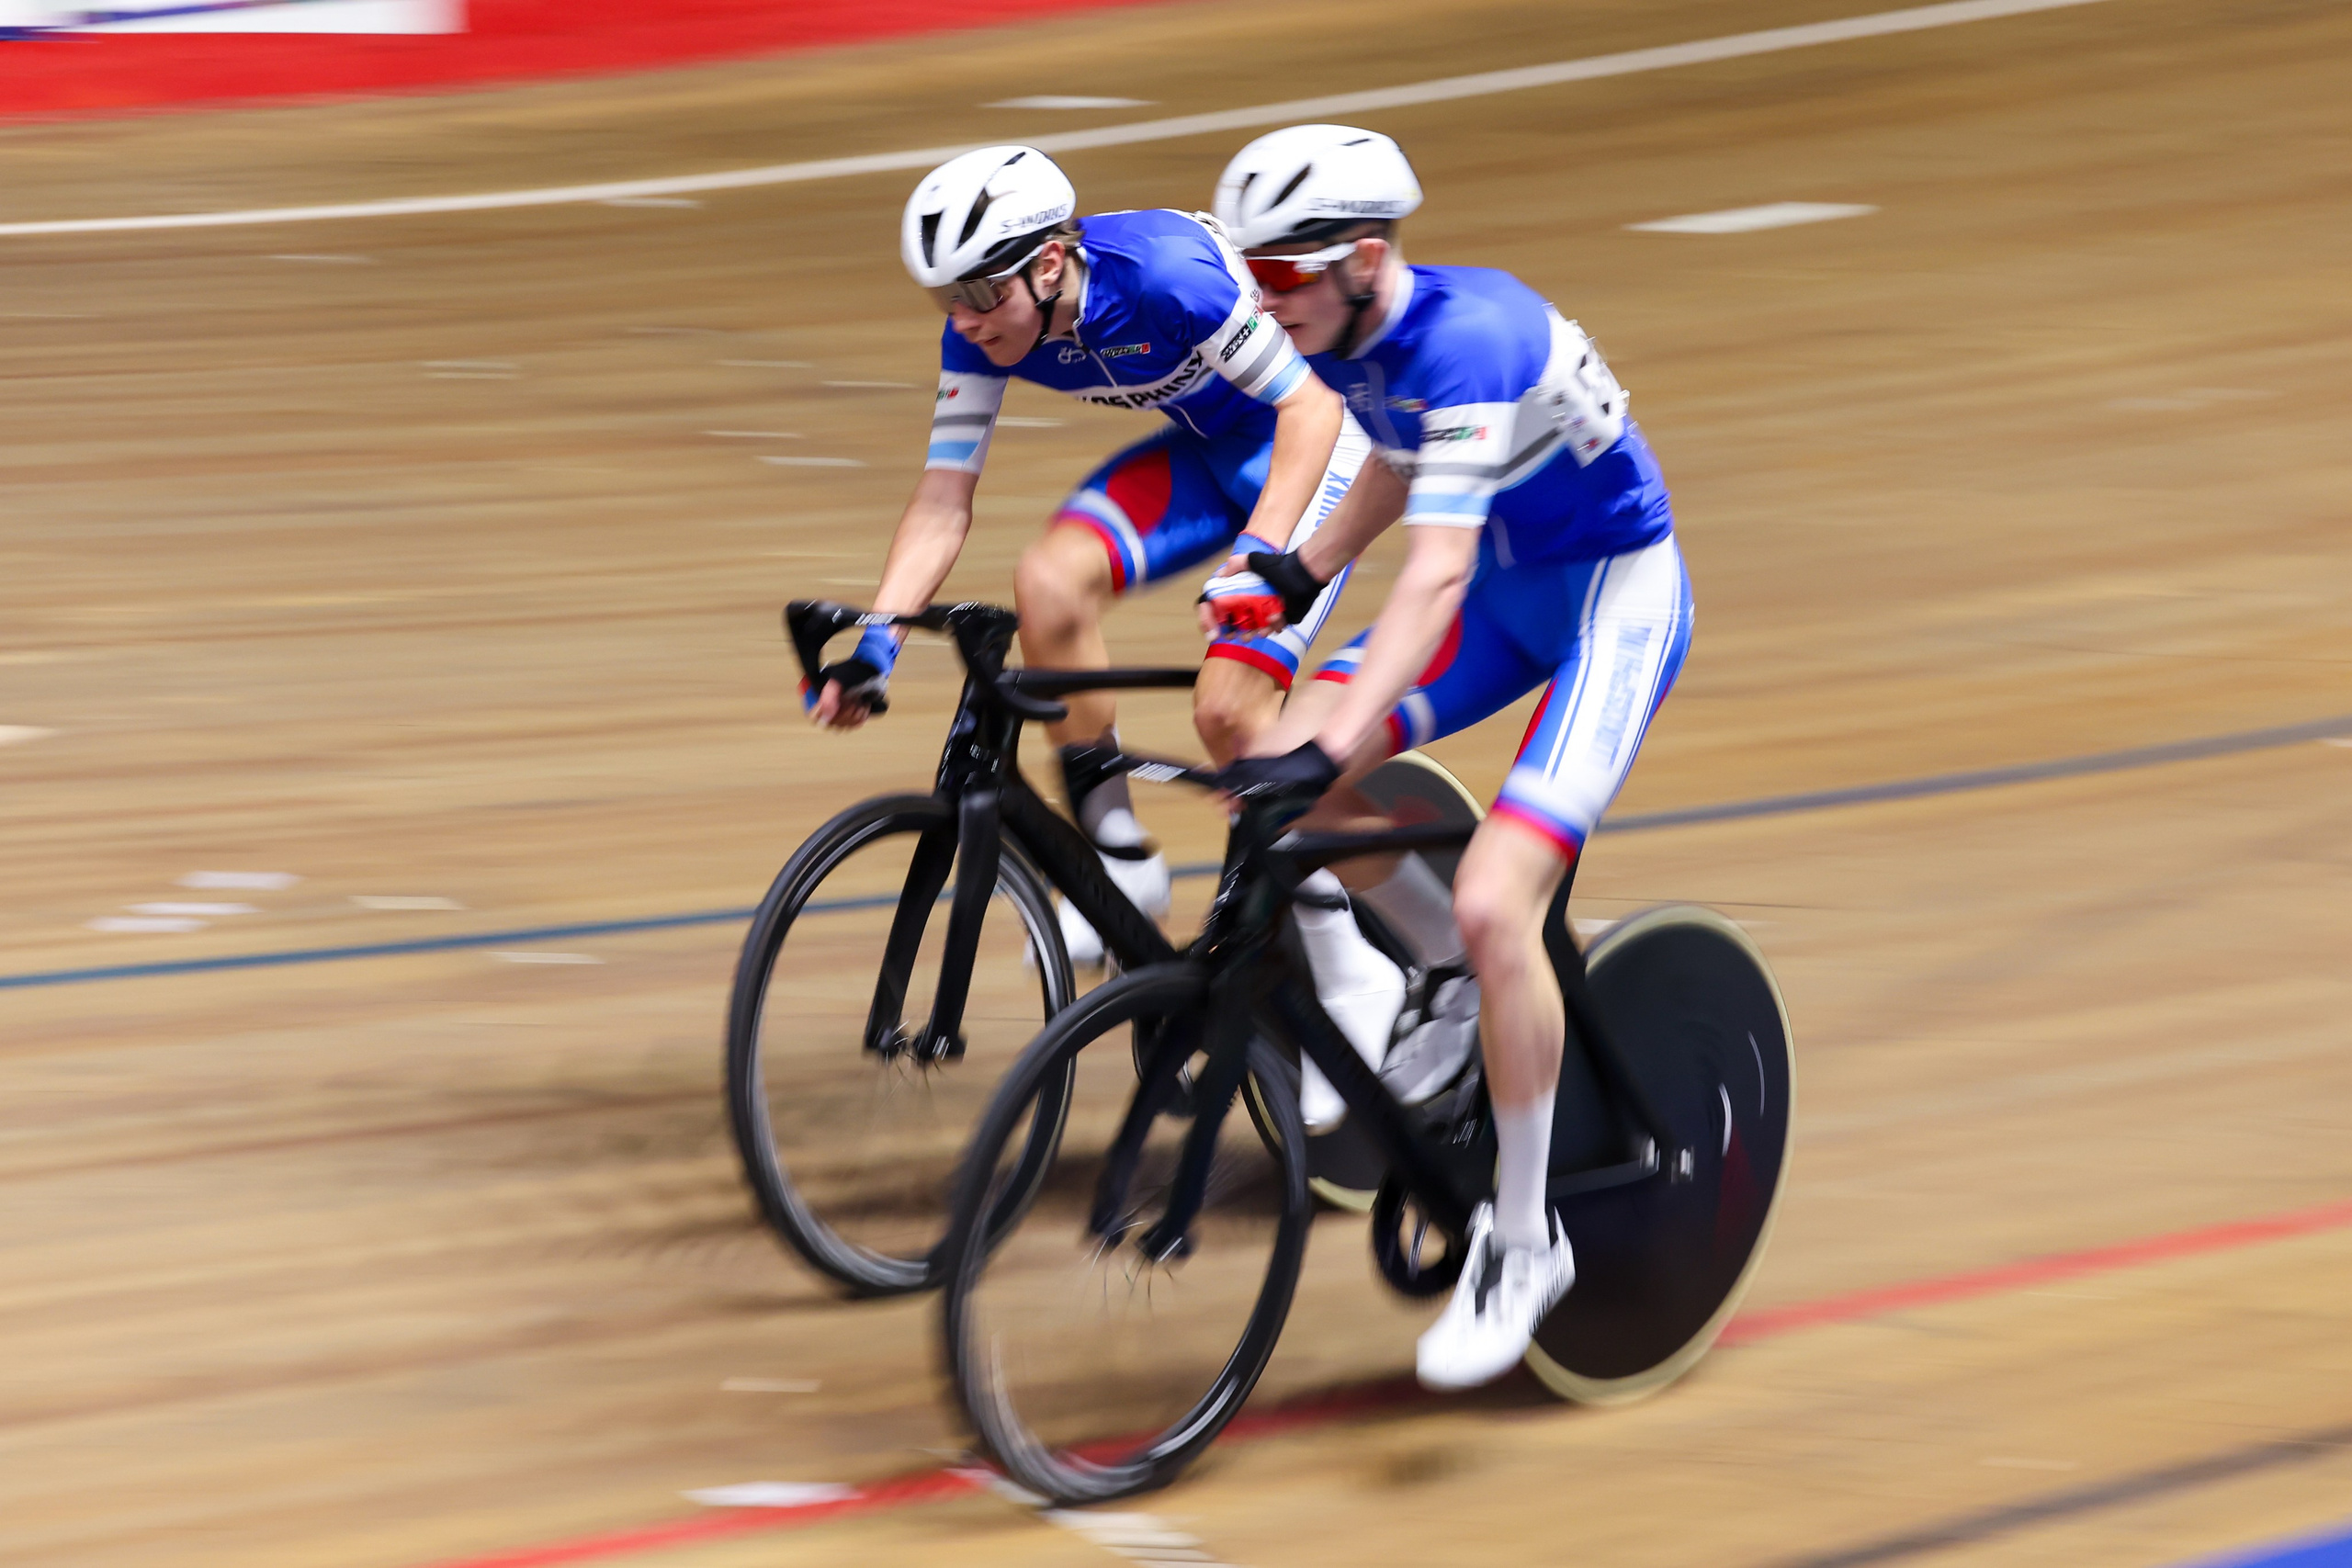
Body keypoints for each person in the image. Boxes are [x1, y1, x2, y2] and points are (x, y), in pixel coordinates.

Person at [1207, 125, 1693, 1390]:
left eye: (1284, 274)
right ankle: (1440, 965)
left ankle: (1526, 1240)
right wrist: (1299, 566)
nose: (1267, 298)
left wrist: (1336, 736)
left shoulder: (1470, 340)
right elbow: (1388, 454)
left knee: (1491, 893)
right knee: (1303, 749)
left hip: (1606, 605)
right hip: (1517, 590)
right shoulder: (1363, 333)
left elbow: (1434, 575)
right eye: (1253, 273)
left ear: (1365, 255)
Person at [809, 144, 1385, 984]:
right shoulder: (982, 328)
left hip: (1315, 446)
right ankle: (1120, 859)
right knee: (1046, 581)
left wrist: (1258, 559)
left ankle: (1349, 964)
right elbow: (942, 499)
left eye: (979, 294)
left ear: (1048, 265)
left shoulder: (1163, 277)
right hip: (1211, 448)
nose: (964, 319)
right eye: (946, 298)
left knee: (1228, 713)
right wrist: (876, 642)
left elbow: (1310, 406)